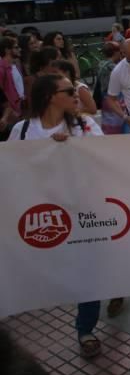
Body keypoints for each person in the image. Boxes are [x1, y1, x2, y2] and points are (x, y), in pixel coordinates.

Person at [7, 74, 105, 358]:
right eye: (69, 90)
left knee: (88, 273)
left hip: (83, 212)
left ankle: (85, 328)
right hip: (41, 217)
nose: (77, 95)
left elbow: (106, 158)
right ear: (51, 96)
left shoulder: (85, 126)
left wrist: (73, 148)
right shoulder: (24, 131)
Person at [95, 41, 125, 135]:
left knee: (108, 124)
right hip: (116, 98)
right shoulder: (113, 67)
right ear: (116, 52)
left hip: (105, 98)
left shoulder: (101, 64)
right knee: (120, 123)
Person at [0, 37, 22, 139]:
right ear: (7, 50)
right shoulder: (1, 68)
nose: (20, 49)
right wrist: (10, 113)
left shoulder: (11, 66)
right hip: (8, 115)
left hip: (15, 111)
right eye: (16, 47)